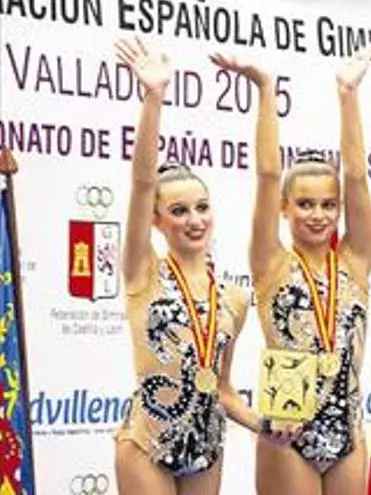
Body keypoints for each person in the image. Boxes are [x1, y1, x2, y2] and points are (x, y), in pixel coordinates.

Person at [113, 38, 289, 495]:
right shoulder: (143, 272)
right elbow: (142, 183)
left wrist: (263, 424)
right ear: (157, 220)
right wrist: (154, 98)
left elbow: (221, 388)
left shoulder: (233, 298)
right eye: (179, 211)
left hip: (206, 444)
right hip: (147, 441)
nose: (194, 220)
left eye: (201, 207)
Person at [209, 45, 371, 494]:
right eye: (305, 204)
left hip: (347, 432)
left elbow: (358, 179)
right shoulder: (272, 264)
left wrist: (348, 96)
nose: (318, 215)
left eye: (328, 205)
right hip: (288, 434)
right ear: (284, 208)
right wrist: (266, 88)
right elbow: (267, 174)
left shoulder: (356, 262)